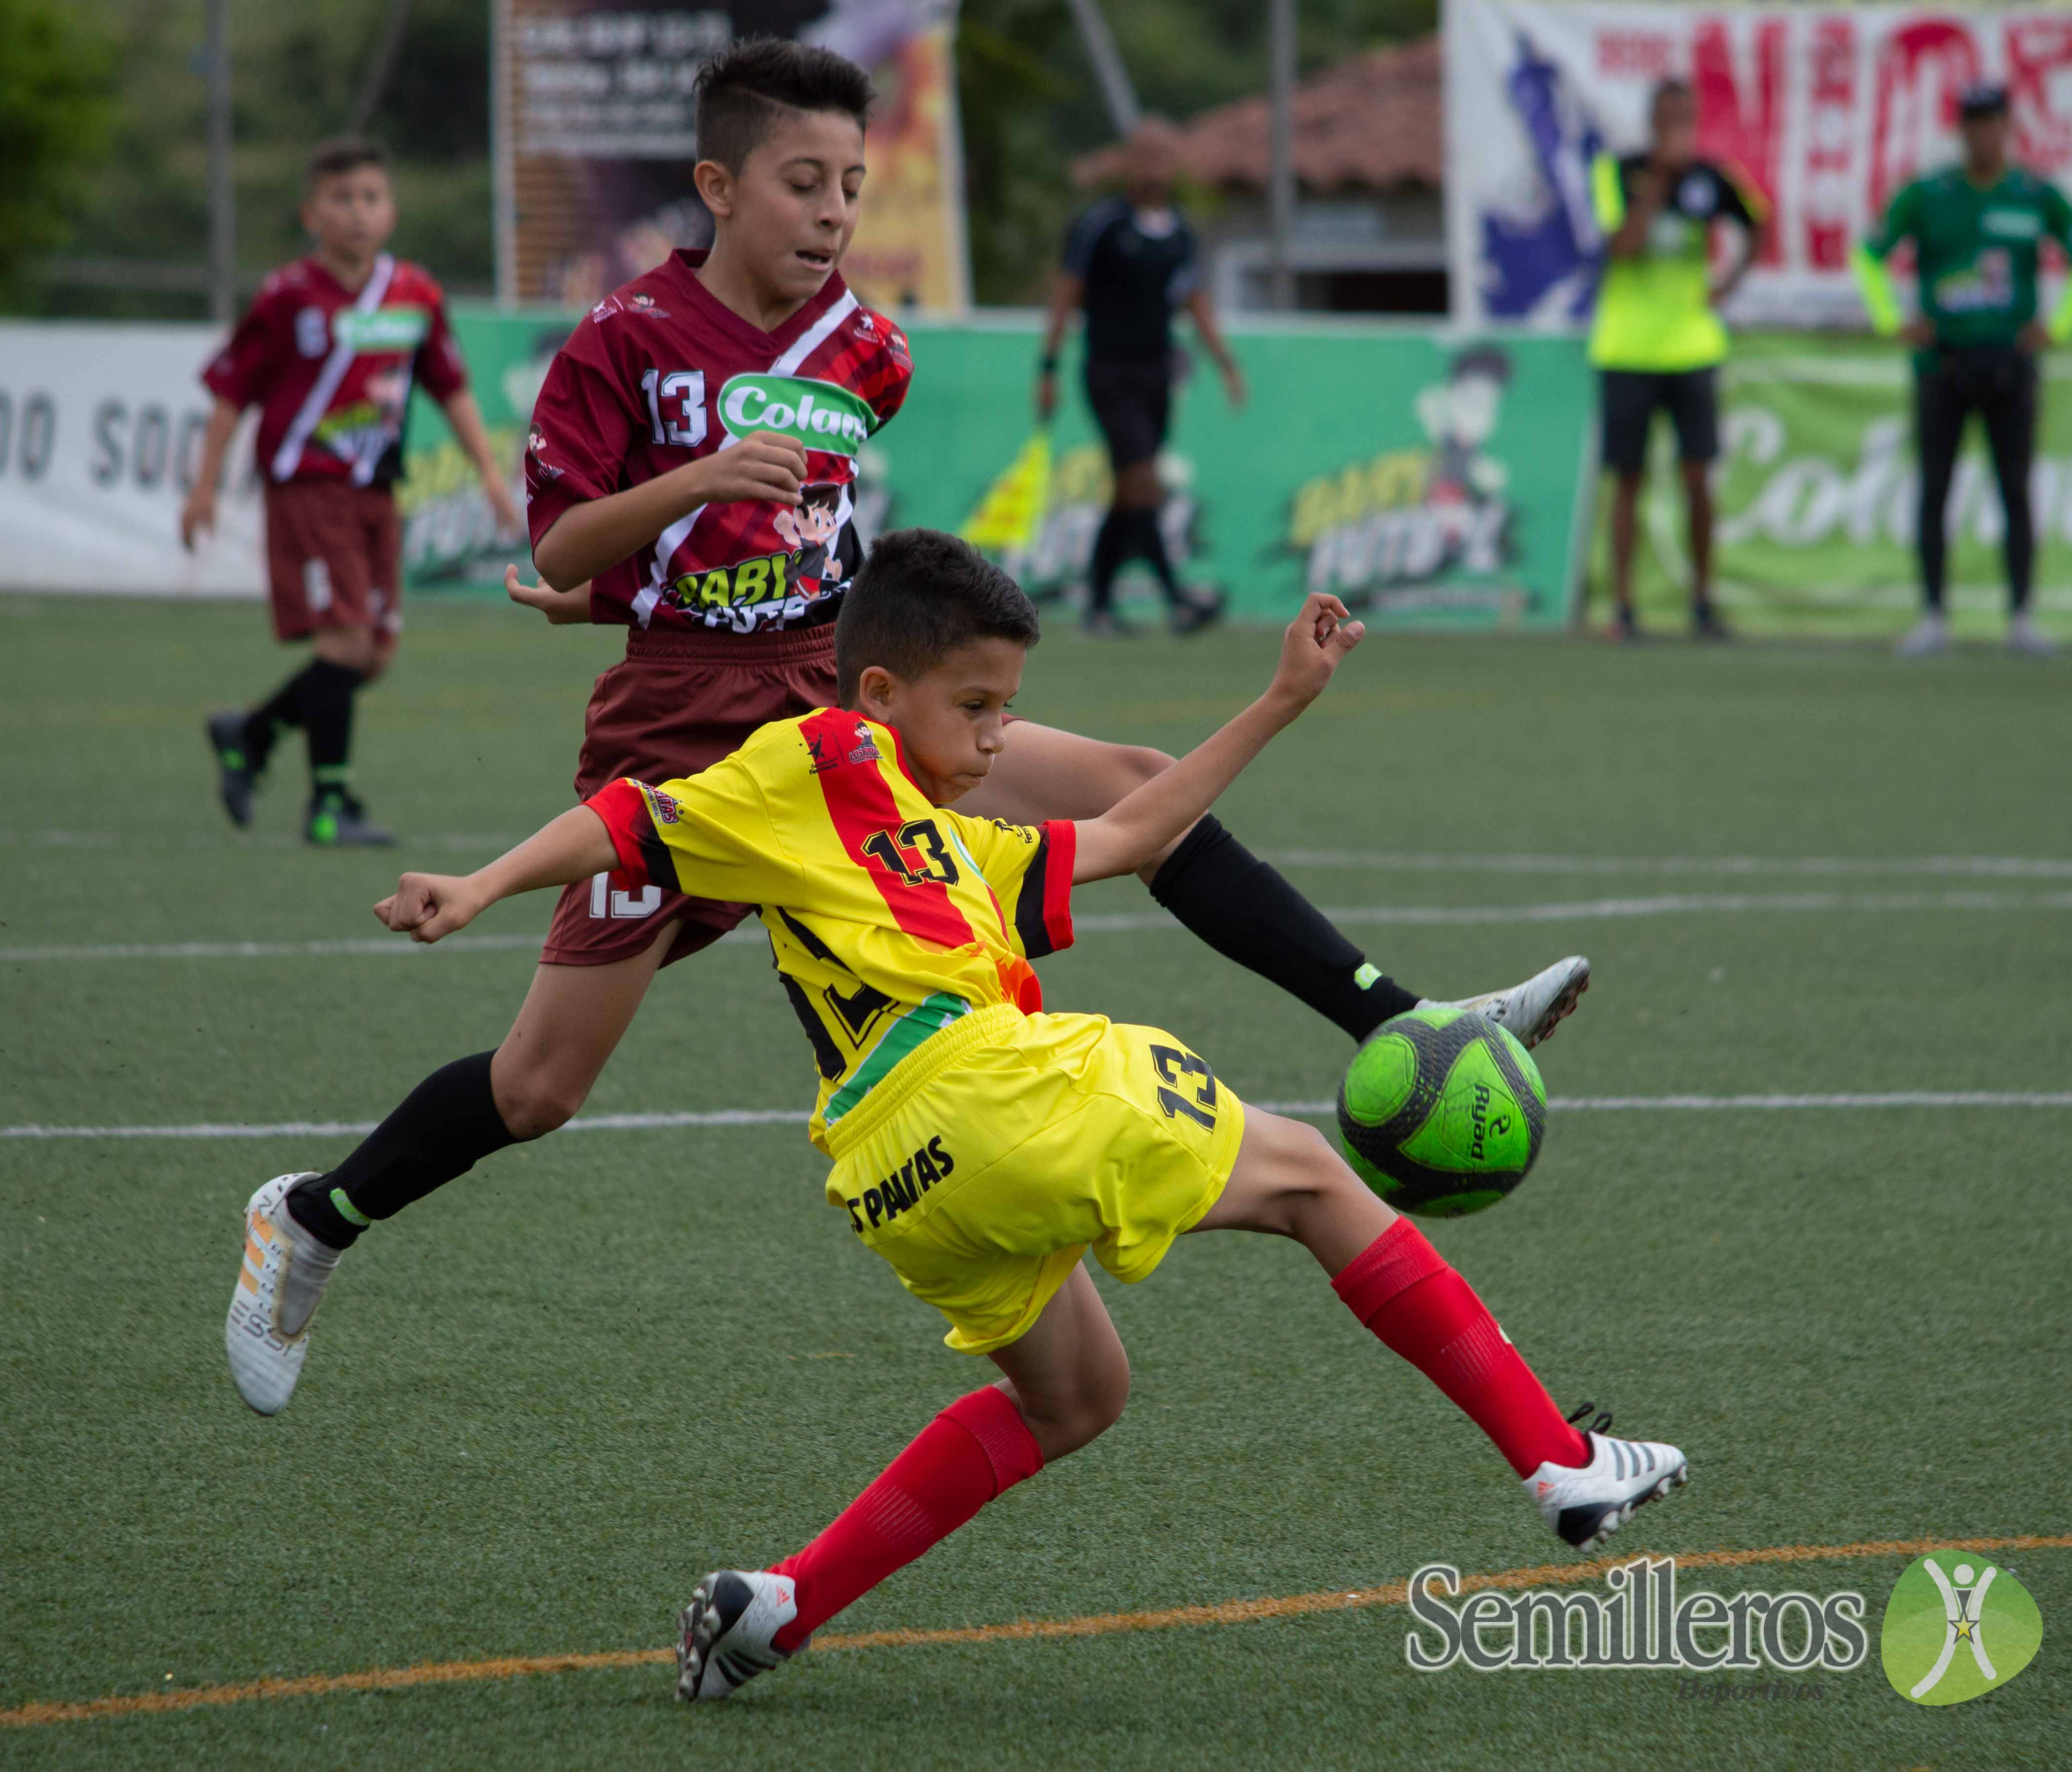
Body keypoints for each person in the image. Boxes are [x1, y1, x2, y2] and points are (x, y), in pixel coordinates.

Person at [222, 41, 1589, 1418]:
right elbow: (570, 539)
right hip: (681, 729)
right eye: (801, 183)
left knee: (1136, 785)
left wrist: (785, 593)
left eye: (853, 186)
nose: (831, 213)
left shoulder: (865, 349)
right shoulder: (623, 337)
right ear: (717, 185)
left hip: (833, 691)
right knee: (537, 1089)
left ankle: (1404, 1017)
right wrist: (675, 511)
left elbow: (812, 533)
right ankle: (314, 1215)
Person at [353, 532, 1690, 1699]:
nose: (1000, 737)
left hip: (894, 1173)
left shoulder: (947, 846)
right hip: (984, 1083)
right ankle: (1559, 1459)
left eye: (1009, 708)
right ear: (878, 692)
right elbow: (633, 818)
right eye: (978, 706)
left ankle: (776, 1608)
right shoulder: (817, 757)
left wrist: (1278, 700)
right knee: (1309, 1177)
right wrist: (480, 883)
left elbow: (1124, 834)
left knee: (1077, 1394)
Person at [181, 137, 524, 847]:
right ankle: (330, 808)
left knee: (372, 655)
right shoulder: (287, 297)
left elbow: (450, 386)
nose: (358, 213)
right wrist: (204, 486)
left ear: (391, 211)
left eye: (370, 198)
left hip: (377, 492)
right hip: (310, 485)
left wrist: (492, 477)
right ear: (313, 214)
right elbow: (231, 392)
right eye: (342, 200)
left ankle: (250, 732)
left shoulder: (415, 295)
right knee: (345, 642)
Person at [1856, 81, 2072, 658]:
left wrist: (2060, 325)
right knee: (1933, 489)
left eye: (1991, 121)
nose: (1981, 132)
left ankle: (2020, 615)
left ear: (2007, 127)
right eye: (1971, 121)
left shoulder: (2033, 194)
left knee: (2013, 488)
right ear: (1959, 129)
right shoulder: (1928, 194)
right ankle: (1932, 616)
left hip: (2009, 364)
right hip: (1940, 363)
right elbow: (1868, 255)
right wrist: (1892, 318)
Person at [1037, 119, 1246, 637]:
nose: (1153, 168)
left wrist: (1224, 363)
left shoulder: (1179, 233)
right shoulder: (1101, 225)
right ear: (1128, 164)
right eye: (1144, 156)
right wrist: (1048, 367)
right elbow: (1066, 293)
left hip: (1158, 376)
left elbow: (1194, 301)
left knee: (1130, 492)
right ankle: (1176, 598)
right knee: (1142, 481)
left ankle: (1099, 606)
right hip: (1108, 372)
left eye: (1162, 157)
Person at [1588, 80, 1765, 641]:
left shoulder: (1713, 177)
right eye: (1667, 117)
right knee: (1628, 480)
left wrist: (1728, 284)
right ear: (1651, 120)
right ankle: (1622, 606)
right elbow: (1621, 248)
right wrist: (1657, 185)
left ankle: (1704, 601)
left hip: (1692, 347)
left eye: (1685, 117)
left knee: (1697, 476)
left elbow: (1757, 220)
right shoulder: (1616, 172)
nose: (1677, 128)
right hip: (1627, 348)